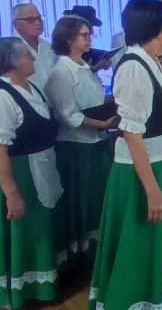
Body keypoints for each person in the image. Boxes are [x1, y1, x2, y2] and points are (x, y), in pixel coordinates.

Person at [89, 0, 162, 310]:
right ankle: (135, 300)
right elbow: (132, 132)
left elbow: (161, 117)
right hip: (139, 173)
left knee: (158, 237)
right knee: (138, 242)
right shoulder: (134, 67)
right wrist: (152, 191)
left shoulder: (153, 62)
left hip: (159, 162)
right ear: (153, 26)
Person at [43, 16, 115, 272]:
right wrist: (103, 123)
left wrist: (115, 99)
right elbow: (69, 116)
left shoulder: (83, 66)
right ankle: (83, 257)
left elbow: (93, 98)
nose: (89, 39)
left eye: (89, 34)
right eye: (84, 35)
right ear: (67, 39)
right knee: (84, 199)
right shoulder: (61, 72)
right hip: (76, 147)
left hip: (96, 142)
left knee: (99, 197)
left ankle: (100, 252)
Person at [0, 37, 62, 309]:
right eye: (27, 55)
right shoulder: (3, 95)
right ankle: (23, 291)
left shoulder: (31, 87)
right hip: (22, 172)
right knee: (25, 230)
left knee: (41, 227)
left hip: (43, 167)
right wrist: (12, 192)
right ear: (12, 61)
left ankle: (44, 287)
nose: (34, 58)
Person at [11, 3, 57, 91]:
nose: (38, 23)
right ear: (16, 25)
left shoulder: (46, 45)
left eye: (39, 18)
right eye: (31, 19)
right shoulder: (10, 49)